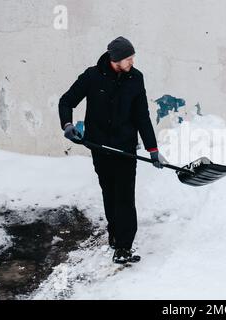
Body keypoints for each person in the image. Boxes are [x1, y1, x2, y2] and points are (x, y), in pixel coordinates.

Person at [58, 36, 167, 264]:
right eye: (128, 58)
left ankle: (124, 247)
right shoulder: (92, 76)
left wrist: (153, 149)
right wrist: (67, 125)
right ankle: (115, 236)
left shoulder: (136, 79)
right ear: (115, 59)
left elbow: (142, 116)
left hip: (125, 149)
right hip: (99, 147)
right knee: (109, 193)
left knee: (125, 197)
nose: (132, 62)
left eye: (133, 57)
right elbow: (66, 101)